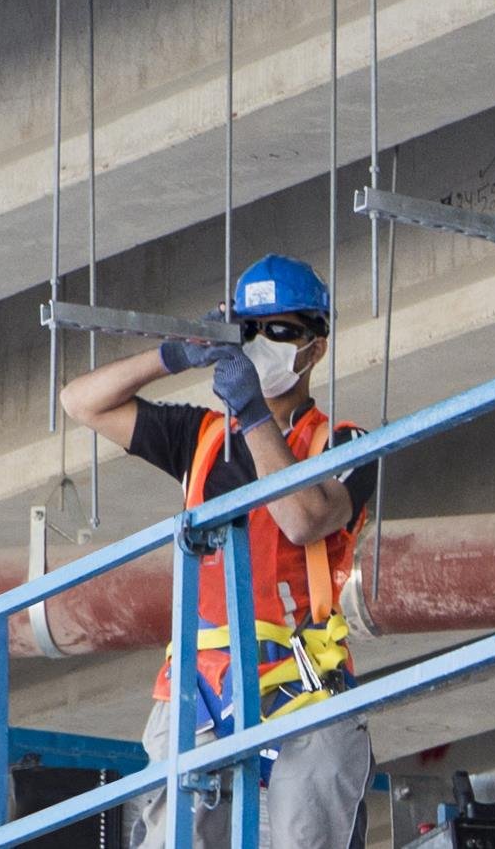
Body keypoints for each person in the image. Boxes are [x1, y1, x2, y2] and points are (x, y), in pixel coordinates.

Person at [58, 255, 377, 848]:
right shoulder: (200, 437)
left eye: (280, 331)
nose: (261, 344)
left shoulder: (343, 443)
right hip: (199, 690)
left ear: (315, 348)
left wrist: (254, 412)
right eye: (249, 330)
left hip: (302, 689)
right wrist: (172, 356)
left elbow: (302, 519)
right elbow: (81, 402)